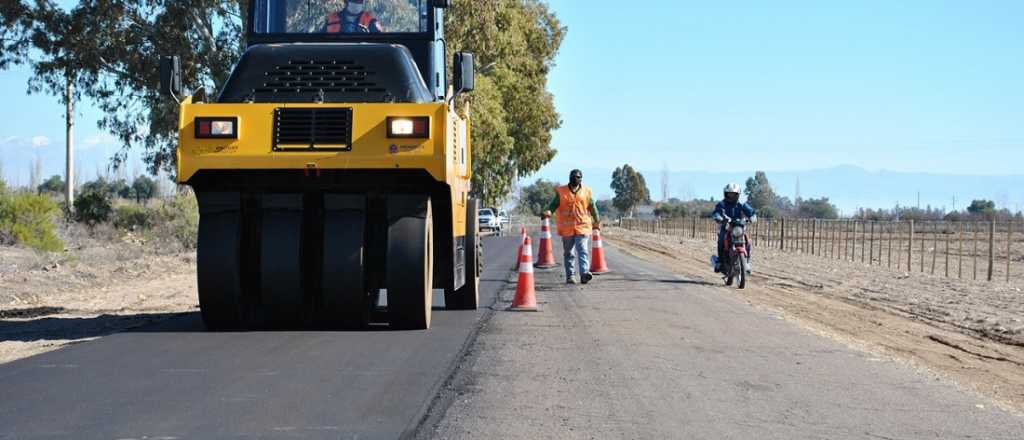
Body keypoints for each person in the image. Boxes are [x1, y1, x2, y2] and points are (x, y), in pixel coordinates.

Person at [543, 169, 601, 285]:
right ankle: (571, 276)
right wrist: (547, 212)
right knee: (569, 253)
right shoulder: (562, 192)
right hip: (567, 228)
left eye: (578, 177)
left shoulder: (586, 192)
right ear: (569, 178)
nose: (575, 179)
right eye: (573, 177)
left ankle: (584, 274)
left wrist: (596, 220)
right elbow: (553, 205)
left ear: (581, 179)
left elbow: (592, 207)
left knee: (582, 250)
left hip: (582, 226)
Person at [712, 183, 756, 273]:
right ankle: (720, 262)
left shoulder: (742, 204)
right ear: (726, 194)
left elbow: (752, 212)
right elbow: (716, 212)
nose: (731, 196)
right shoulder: (722, 204)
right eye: (729, 193)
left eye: (733, 194)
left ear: (737, 194)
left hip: (739, 228)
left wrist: (752, 218)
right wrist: (718, 217)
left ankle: (747, 262)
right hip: (727, 228)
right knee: (721, 241)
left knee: (748, 242)